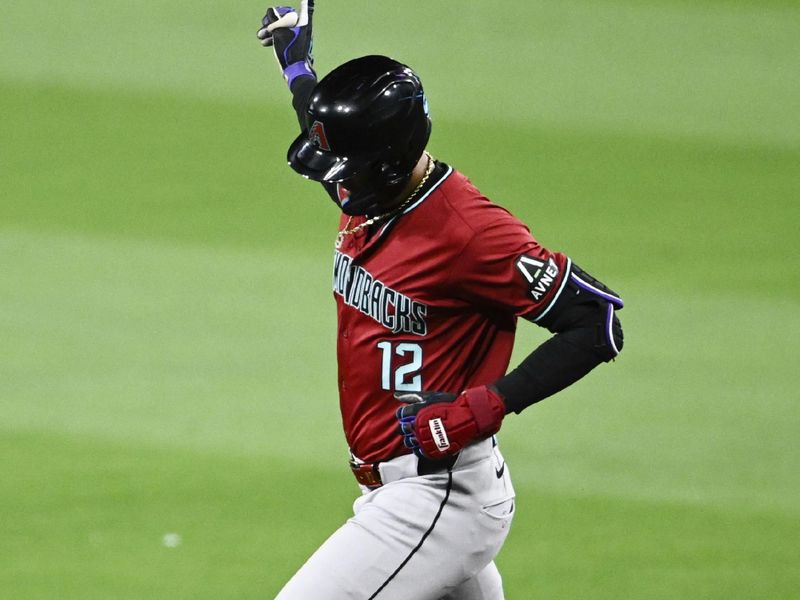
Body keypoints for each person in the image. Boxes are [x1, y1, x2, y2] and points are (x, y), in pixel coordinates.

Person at [257, 3, 625, 599]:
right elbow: (329, 141)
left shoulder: (470, 233)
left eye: (351, 172)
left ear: (391, 160)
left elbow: (596, 321)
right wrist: (296, 63)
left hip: (438, 495)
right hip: (405, 488)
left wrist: (483, 408)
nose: (338, 184)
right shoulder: (374, 184)